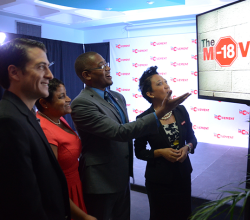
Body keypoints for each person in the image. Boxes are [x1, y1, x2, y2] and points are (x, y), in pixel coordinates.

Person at [71, 51, 191, 220]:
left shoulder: (117, 97)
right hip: (101, 181)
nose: (108, 68)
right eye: (102, 66)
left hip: (122, 176)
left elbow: (127, 132)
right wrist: (162, 111)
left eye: (107, 63)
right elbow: (119, 132)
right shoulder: (81, 103)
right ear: (86, 75)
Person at [0, 38, 70, 219]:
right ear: (14, 72)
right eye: (41, 67)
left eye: (48, 66)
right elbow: (22, 203)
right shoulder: (8, 121)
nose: (50, 75)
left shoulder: (25, 114)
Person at [134, 66, 197, 220]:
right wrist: (160, 152)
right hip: (159, 180)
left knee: (184, 214)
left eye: (166, 82)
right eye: (160, 83)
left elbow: (192, 138)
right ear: (150, 93)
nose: (166, 85)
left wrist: (187, 148)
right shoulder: (144, 119)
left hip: (183, 175)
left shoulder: (181, 110)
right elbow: (139, 152)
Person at [35, 78, 97, 220]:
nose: (69, 99)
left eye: (66, 94)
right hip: (64, 192)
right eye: (62, 96)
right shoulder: (46, 131)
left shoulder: (57, 118)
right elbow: (51, 183)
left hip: (75, 185)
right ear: (44, 103)